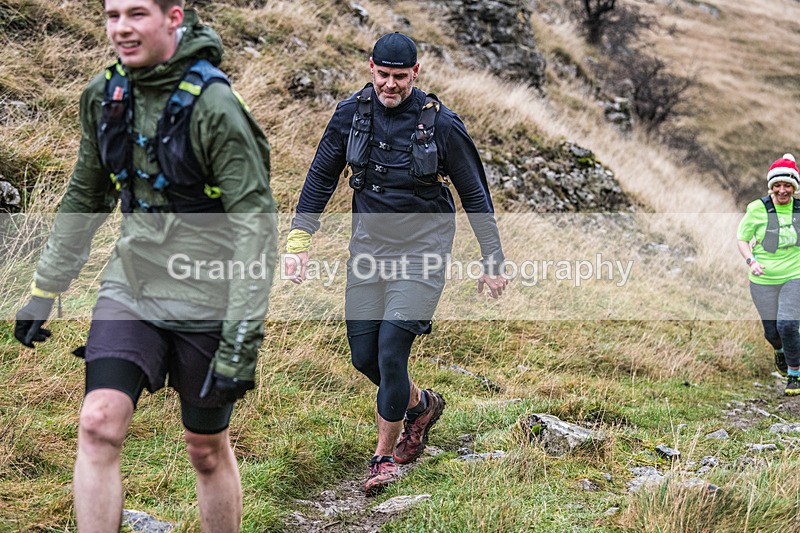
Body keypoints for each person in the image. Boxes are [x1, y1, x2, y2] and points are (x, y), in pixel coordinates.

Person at [13, 0, 276, 530]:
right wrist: (45, 288)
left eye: (137, 14)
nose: (122, 29)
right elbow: (85, 195)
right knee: (98, 423)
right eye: (113, 15)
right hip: (132, 284)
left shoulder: (216, 107)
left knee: (205, 448)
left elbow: (255, 229)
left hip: (211, 294)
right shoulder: (104, 95)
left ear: (174, 17)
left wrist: (241, 341)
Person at [284, 32, 508, 494]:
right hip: (368, 252)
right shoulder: (350, 115)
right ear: (371, 67)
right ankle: (421, 406)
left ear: (415, 73)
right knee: (364, 356)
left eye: (400, 76)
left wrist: (493, 258)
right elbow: (320, 178)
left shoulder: (442, 124)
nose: (390, 84)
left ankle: (383, 459)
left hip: (423, 253)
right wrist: (299, 241)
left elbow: (475, 195)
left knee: (390, 353)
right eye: (383, 74)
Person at [737, 153, 800, 396]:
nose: (782, 190)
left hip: (794, 275)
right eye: (777, 185)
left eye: (787, 185)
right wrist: (751, 261)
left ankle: (794, 374)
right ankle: (781, 352)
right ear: (771, 186)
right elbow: (742, 239)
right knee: (772, 332)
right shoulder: (756, 209)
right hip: (762, 279)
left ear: (794, 187)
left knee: (787, 324)